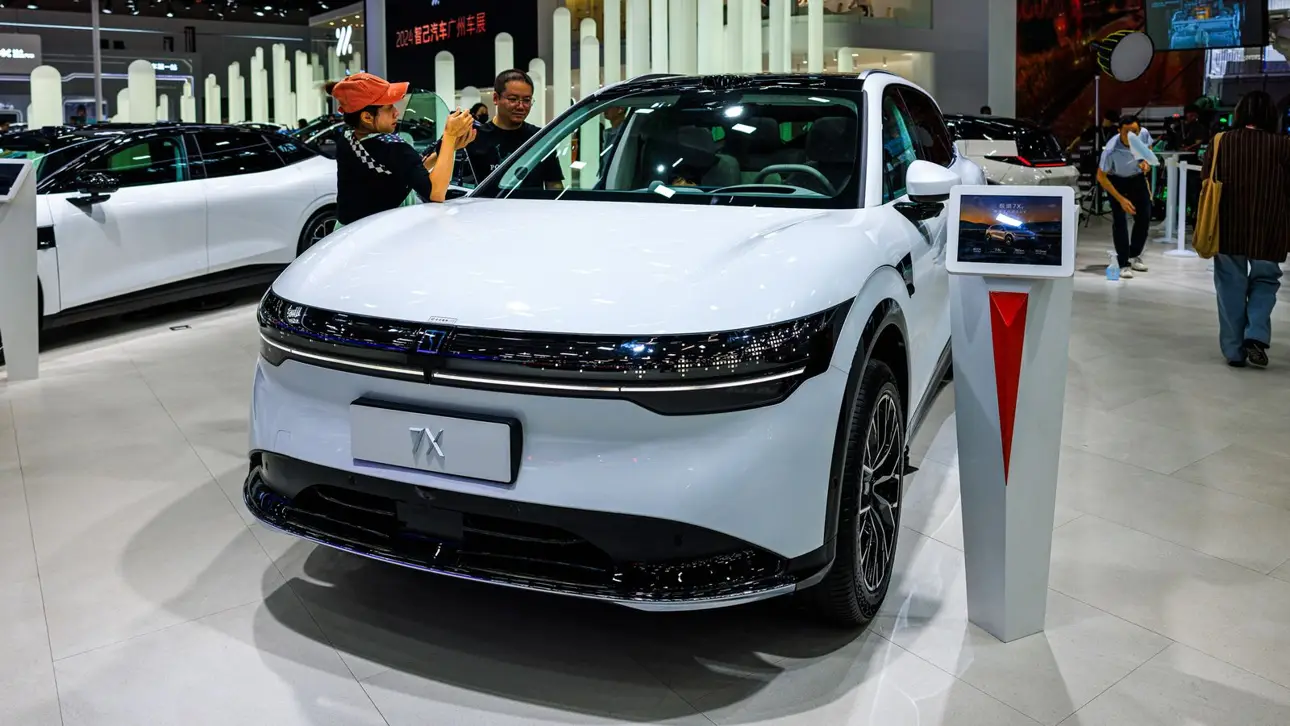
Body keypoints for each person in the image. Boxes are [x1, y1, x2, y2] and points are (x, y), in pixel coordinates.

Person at [1201, 91, 1290, 368]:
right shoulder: (1283, 145)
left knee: (1230, 284)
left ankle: (1234, 351)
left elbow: (1206, 178)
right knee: (1266, 280)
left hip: (1228, 226)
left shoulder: (1221, 141)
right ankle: (1256, 334)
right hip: (1270, 225)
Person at [326, 72, 475, 227]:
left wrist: (447, 150)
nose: (396, 112)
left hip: (347, 231)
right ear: (367, 117)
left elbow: (407, 171)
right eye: (389, 107)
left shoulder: (347, 138)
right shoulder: (391, 146)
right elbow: (436, 193)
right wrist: (450, 136)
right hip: (381, 232)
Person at [442, 69, 564, 189]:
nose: (521, 106)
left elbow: (555, 186)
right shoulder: (473, 137)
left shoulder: (541, 138)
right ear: (496, 98)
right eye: (513, 99)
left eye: (527, 100)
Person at [1096, 115, 1155, 278]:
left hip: (1137, 178)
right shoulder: (1111, 149)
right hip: (1116, 181)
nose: (1131, 136)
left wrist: (1146, 162)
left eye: (1134, 132)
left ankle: (1134, 254)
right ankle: (1122, 263)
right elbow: (1101, 177)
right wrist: (1121, 199)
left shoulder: (1144, 134)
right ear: (1119, 131)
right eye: (1126, 132)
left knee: (1144, 216)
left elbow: (1149, 150)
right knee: (1120, 220)